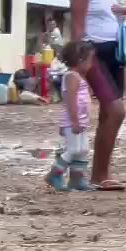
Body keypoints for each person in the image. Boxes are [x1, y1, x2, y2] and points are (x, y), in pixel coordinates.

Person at [69, 0, 126, 191]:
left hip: (114, 54)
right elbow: (77, 25)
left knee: (108, 114)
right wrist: (79, 63)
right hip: (92, 53)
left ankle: (101, 174)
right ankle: (98, 176)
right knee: (117, 111)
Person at [46, 41, 95, 192]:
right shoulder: (72, 76)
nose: (91, 64)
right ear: (80, 60)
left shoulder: (77, 76)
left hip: (79, 121)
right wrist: (74, 121)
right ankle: (54, 174)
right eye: (90, 60)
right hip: (73, 122)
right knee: (74, 149)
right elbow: (71, 100)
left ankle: (76, 179)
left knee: (83, 149)